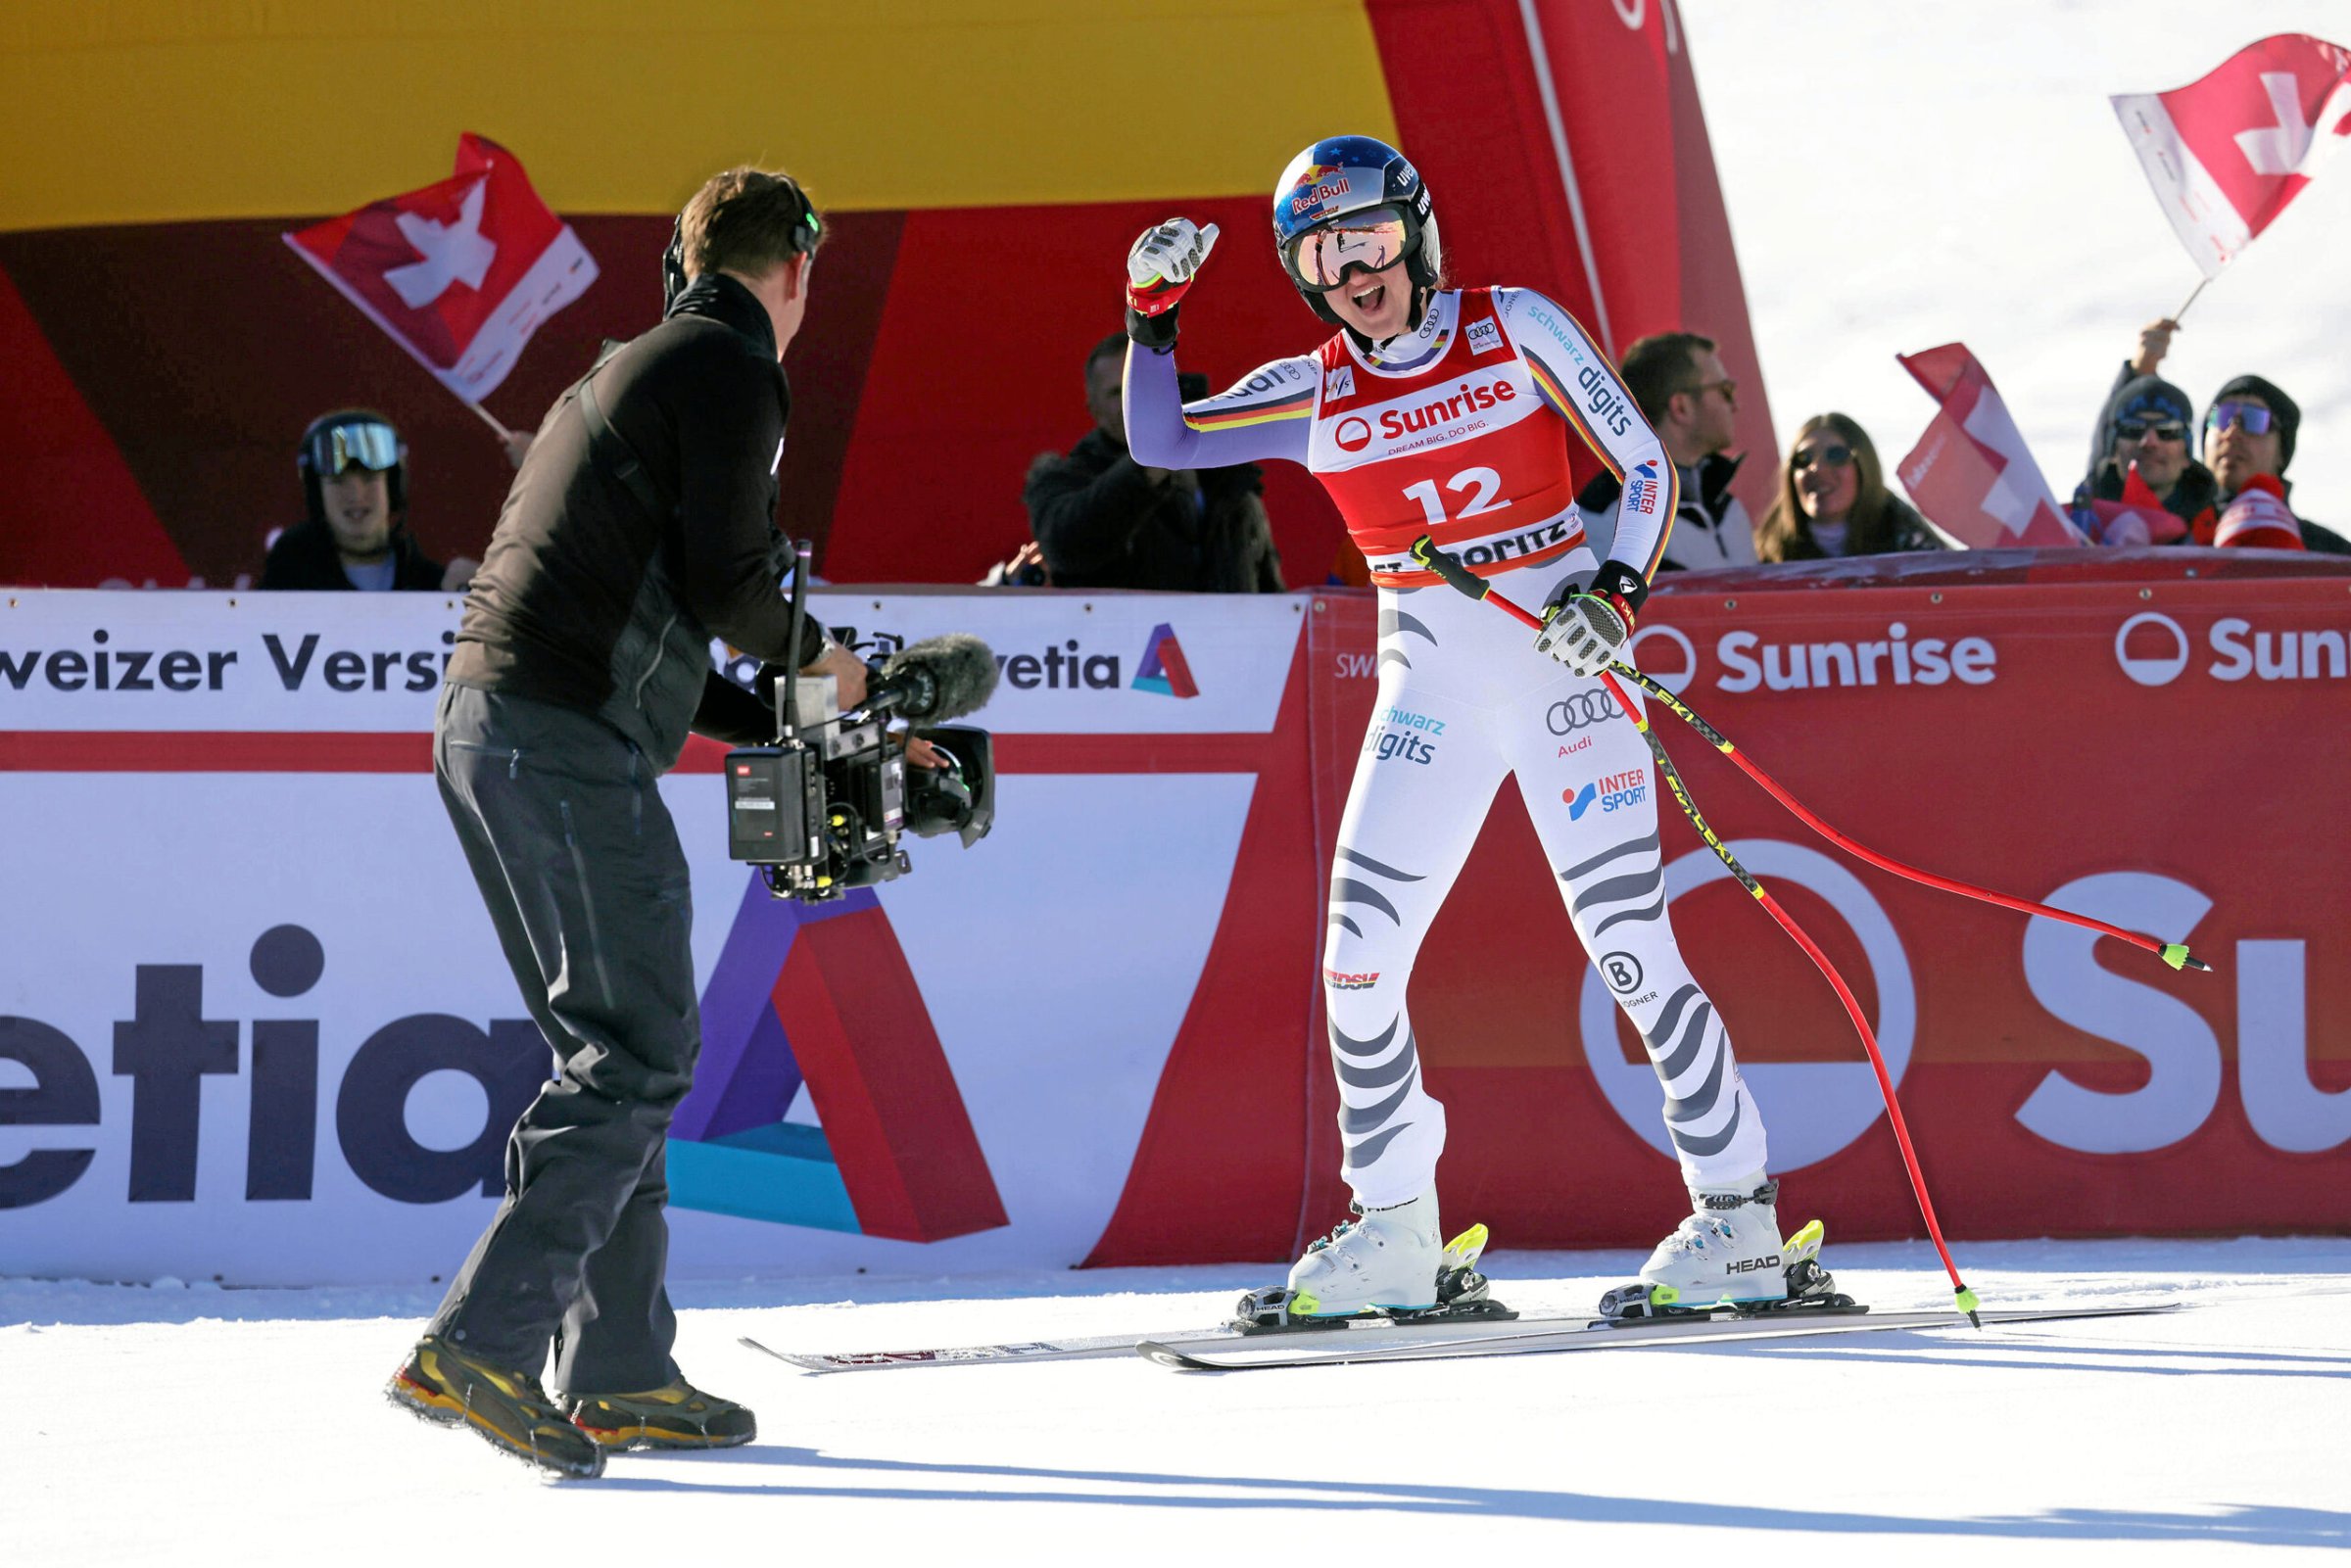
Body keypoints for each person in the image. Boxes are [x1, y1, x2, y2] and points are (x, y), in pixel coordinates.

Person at [1121, 135, 1791, 1322]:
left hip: (1565, 677)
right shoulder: (1319, 387)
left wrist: (1615, 592)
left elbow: (1642, 468)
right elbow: (1162, 440)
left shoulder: (1515, 323)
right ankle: (1395, 1227)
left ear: (1417, 234)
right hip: (1430, 695)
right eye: (1325, 255)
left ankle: (1738, 1214)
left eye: (1371, 238)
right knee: (1357, 957)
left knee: (1629, 944)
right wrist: (1153, 318)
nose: (1356, 271)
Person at [386, 166, 869, 1480]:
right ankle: (482, 1341)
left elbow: (661, 624)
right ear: (798, 274)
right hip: (557, 742)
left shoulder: (633, 367)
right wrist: (830, 661)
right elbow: (730, 585)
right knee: (640, 1052)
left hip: (501, 732)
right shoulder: (729, 366)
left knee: (620, 1048)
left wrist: (786, 715)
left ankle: (619, 1368)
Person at [1024, 333, 1285, 591]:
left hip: (1231, 631)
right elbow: (1065, 548)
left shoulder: (1229, 478)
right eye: (1117, 392)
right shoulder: (1062, 479)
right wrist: (1150, 462)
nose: (1132, 401)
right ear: (1093, 408)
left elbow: (1267, 587)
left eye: (1143, 386)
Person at [1574, 331, 1755, 569]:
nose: (1734, 404)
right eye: (1725, 390)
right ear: (1681, 407)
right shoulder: (1611, 520)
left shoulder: (1728, 507)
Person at [260, 410, 478, 591]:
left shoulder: (430, 583)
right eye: (338, 482)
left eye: (370, 478)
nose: (356, 495)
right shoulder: (287, 579)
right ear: (318, 495)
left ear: (391, 488)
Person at [1754, 413, 1943, 561]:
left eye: (1836, 455)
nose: (1817, 469)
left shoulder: (1909, 539)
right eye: (1804, 459)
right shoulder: (1763, 555)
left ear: (1864, 467)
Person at [2203, 376, 2344, 552]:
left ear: (2282, 453)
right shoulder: (2166, 537)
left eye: (2254, 420)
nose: (2233, 432)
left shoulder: (2331, 555)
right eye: (2223, 416)